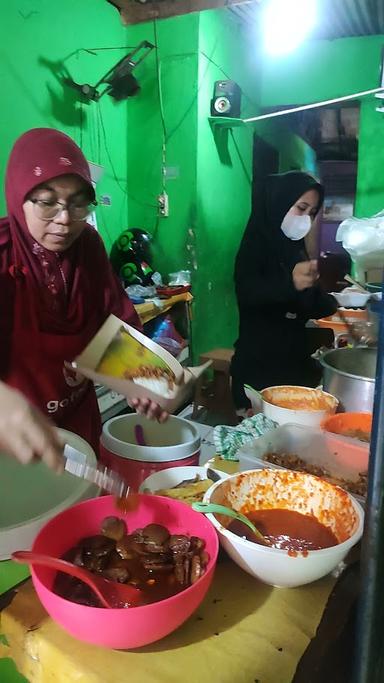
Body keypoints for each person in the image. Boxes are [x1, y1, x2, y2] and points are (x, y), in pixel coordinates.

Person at [0, 128, 167, 456]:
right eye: (47, 203)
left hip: (76, 420)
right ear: (19, 196)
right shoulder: (3, 255)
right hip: (16, 438)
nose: (64, 220)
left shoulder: (88, 246)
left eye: (78, 205)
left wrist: (139, 373)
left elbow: (113, 317)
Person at [231, 171, 337, 413]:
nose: (306, 219)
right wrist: (290, 284)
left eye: (311, 212)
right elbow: (249, 294)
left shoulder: (294, 250)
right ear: (279, 203)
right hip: (258, 370)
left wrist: (325, 299)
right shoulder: (254, 247)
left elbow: (309, 305)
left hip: (293, 368)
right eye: (301, 208)